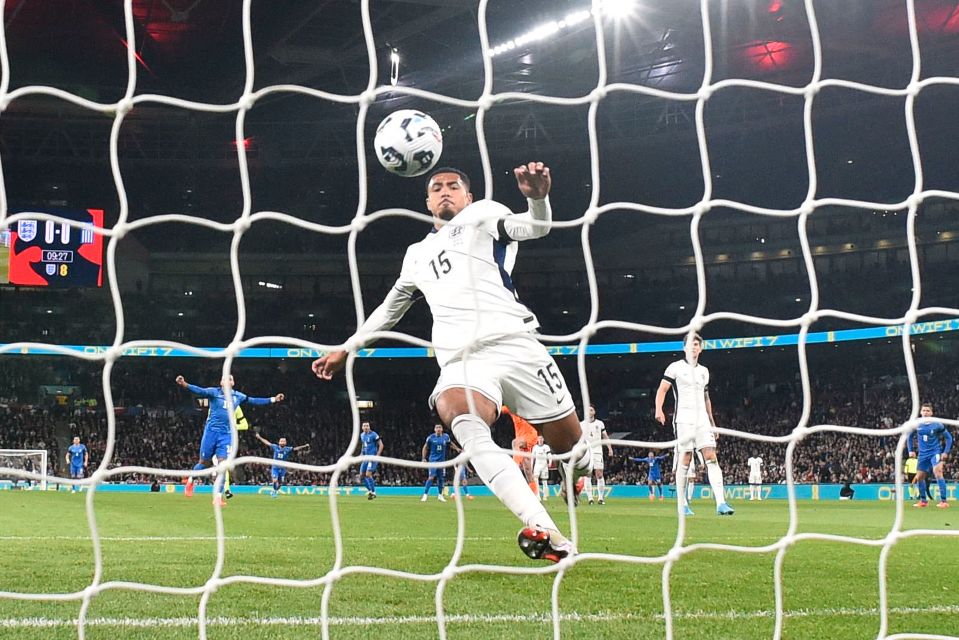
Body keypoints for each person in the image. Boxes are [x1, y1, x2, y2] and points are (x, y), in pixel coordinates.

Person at [312, 163, 591, 563]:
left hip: (516, 345)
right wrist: (347, 348)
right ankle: (546, 530)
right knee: (460, 416)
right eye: (437, 187)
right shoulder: (416, 255)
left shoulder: (484, 215)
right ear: (427, 201)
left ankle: (576, 477)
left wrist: (538, 197)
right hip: (462, 359)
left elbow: (535, 227)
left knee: (572, 448)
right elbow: (389, 310)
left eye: (453, 186)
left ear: (468, 197)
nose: (445, 191)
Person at [654, 333, 734, 516]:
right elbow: (663, 389)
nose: (693, 347)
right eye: (690, 344)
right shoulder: (675, 367)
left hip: (702, 420)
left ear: (701, 348)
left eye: (696, 344)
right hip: (683, 417)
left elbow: (706, 397)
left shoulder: (704, 371)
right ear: (684, 348)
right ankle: (682, 504)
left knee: (711, 457)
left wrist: (712, 421)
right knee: (686, 457)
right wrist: (658, 409)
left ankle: (721, 502)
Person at [176, 374, 284, 506]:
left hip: (225, 435)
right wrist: (185, 384)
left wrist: (273, 399)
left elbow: (254, 400)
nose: (228, 380)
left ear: (233, 383)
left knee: (223, 466)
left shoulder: (238, 396)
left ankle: (217, 497)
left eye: (231, 379)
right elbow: (200, 390)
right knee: (203, 463)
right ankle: (190, 481)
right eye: (225, 378)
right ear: (221, 382)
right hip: (211, 432)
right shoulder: (214, 392)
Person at [908, 402, 953, 508]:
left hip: (934, 452)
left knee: (937, 472)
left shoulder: (937, 424)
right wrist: (911, 450)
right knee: (919, 477)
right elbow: (909, 437)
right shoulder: (916, 424)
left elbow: (949, 438)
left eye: (928, 411)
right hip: (923, 455)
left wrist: (945, 451)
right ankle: (923, 501)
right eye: (923, 410)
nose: (925, 412)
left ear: (931, 413)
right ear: (920, 412)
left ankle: (944, 501)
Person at [254, 431, 310, 498]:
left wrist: (304, 446)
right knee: (275, 480)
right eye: (281, 441)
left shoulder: (288, 449)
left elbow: (296, 448)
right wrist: (259, 437)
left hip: (283, 468)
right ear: (279, 442)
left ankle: (275, 491)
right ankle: (274, 492)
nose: (283, 442)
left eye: (284, 441)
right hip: (275, 467)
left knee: (280, 483)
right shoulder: (275, 447)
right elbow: (267, 442)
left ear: (285, 443)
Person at [580, 406, 613, 505]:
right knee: (587, 474)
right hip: (586, 452)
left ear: (594, 412)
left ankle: (600, 498)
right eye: (588, 410)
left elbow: (605, 437)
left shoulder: (600, 423)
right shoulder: (581, 424)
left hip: (597, 450)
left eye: (591, 410)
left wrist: (610, 448)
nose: (589, 412)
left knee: (599, 474)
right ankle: (590, 498)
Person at [421, 424, 461, 502]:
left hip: (442, 461)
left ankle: (440, 495)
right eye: (437, 428)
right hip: (433, 461)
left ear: (442, 429)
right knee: (431, 477)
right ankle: (425, 495)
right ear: (434, 429)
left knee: (441, 479)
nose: (438, 429)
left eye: (440, 427)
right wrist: (423, 458)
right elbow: (425, 447)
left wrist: (457, 449)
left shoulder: (446, 437)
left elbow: (450, 444)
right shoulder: (431, 438)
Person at [358, 421, 384, 500]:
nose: (366, 427)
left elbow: (381, 445)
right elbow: (363, 445)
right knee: (361, 476)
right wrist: (361, 454)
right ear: (362, 427)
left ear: (369, 427)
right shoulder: (362, 435)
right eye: (364, 426)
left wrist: (377, 455)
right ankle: (370, 491)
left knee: (368, 474)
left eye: (367, 426)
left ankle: (373, 492)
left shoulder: (374, 434)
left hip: (372, 458)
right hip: (365, 458)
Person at [531, 434, 552, 502]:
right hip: (537, 465)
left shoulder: (546, 447)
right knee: (536, 480)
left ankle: (545, 496)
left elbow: (549, 455)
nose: (540, 440)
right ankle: (538, 495)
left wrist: (550, 462)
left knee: (544, 481)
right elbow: (532, 458)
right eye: (539, 438)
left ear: (543, 439)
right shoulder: (535, 447)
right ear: (537, 439)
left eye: (541, 438)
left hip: (544, 465)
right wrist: (531, 466)